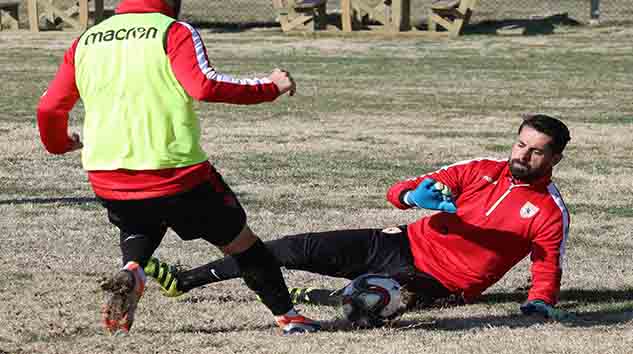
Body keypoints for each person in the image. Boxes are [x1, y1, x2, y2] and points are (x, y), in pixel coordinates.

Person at [36, 0, 320, 335]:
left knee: (140, 222)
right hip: (175, 173)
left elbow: (50, 106)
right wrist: (271, 85)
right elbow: (204, 85)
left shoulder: (86, 39)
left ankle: (133, 271)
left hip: (107, 175)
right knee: (244, 246)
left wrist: (58, 144)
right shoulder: (172, 31)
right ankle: (289, 317)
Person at [145, 114, 573, 321]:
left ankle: (328, 297)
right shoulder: (480, 168)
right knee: (290, 248)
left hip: (445, 282)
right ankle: (185, 280)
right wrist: (412, 194)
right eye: (520, 144)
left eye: (535, 151)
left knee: (369, 306)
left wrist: (539, 302)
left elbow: (546, 263)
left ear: (554, 157)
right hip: (401, 241)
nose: (522, 155)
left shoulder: (550, 211)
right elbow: (400, 191)